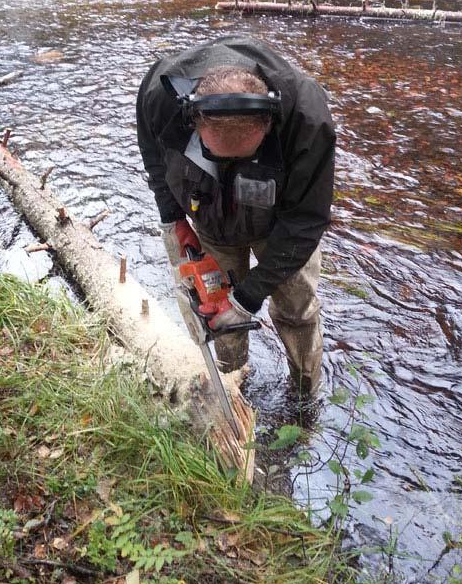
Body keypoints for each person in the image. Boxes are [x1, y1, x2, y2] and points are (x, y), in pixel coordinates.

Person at [136, 35, 335, 395]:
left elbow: (307, 220)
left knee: (297, 312)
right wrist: (173, 218)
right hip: (209, 221)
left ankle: (305, 396)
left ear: (269, 124)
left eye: (244, 156)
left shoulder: (306, 117)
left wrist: (248, 298)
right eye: (218, 154)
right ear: (193, 118)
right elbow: (153, 153)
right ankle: (233, 385)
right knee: (216, 315)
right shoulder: (160, 94)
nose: (231, 164)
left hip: (280, 228)